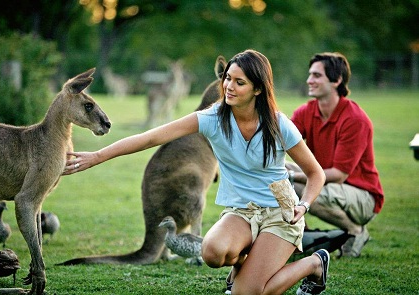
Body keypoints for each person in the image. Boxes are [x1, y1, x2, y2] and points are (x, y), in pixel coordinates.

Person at [64, 49, 328, 295]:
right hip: (242, 212)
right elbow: (150, 138)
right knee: (211, 252)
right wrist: (97, 156)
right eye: (227, 79)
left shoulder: (279, 124)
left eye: (239, 82)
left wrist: (304, 205)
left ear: (258, 89)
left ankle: (315, 264)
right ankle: (247, 265)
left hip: (279, 212)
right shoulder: (213, 118)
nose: (228, 86)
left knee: (246, 293)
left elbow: (316, 174)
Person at [287, 52, 384, 258]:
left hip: (362, 195)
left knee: (301, 188)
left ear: (337, 80)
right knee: (278, 173)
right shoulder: (306, 112)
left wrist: (292, 176)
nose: (309, 80)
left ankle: (355, 231)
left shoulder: (355, 119)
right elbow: (281, 143)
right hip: (328, 183)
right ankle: (299, 237)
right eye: (310, 75)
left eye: (316, 75)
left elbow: (339, 175)